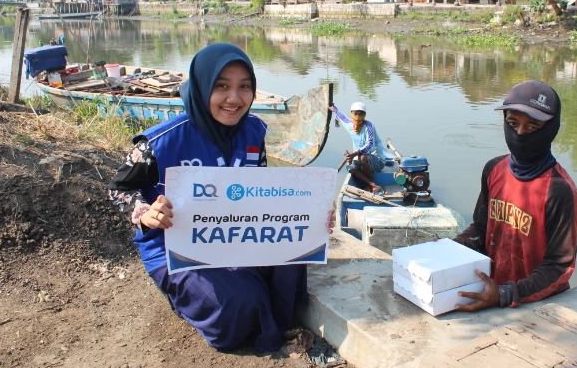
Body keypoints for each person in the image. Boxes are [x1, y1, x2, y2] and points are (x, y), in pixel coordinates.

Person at [108, 43, 334, 352]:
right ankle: (184, 298)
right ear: (202, 88)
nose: (234, 98)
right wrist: (145, 212)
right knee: (240, 303)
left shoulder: (254, 132)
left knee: (291, 262)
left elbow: (264, 190)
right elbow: (118, 189)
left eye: (245, 87)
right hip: (175, 246)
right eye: (222, 87)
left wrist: (311, 214)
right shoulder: (159, 143)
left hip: (234, 233)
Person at [451, 81, 577, 311]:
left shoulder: (561, 192)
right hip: (494, 294)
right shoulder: (493, 169)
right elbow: (482, 228)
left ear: (551, 128)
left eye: (532, 127)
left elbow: (558, 267)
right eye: (513, 123)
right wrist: (451, 248)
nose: (520, 133)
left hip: (539, 305)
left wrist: (507, 293)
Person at [329, 102, 386, 195]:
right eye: (355, 114)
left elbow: (370, 145)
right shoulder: (349, 125)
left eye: (361, 114)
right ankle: (373, 184)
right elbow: (342, 117)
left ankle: (371, 185)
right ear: (351, 113)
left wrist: (354, 154)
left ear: (365, 115)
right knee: (350, 167)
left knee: (362, 157)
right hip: (361, 159)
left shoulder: (368, 126)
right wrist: (334, 109)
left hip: (377, 161)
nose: (358, 117)